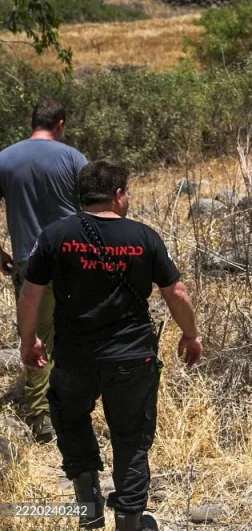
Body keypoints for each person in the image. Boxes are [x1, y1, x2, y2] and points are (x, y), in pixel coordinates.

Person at [18, 160, 202, 531]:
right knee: (131, 438)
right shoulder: (144, 238)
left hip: (74, 357)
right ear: (118, 195)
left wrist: (28, 340)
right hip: (132, 357)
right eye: (127, 192)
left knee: (70, 421)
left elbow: (29, 293)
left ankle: (89, 505)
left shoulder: (56, 236)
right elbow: (176, 293)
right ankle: (129, 522)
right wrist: (191, 334)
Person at [0, 98, 87, 442]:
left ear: (32, 122)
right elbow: (97, 207)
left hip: (28, 261)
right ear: (60, 124)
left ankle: (41, 416)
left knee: (35, 337)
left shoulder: (5, 159)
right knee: (77, 331)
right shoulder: (73, 158)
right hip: (73, 259)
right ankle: (75, 404)